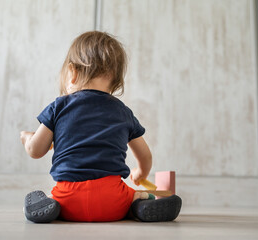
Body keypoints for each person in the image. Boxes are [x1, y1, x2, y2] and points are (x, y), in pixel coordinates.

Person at [20, 31, 181, 223]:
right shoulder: (123, 112)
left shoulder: (59, 107)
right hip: (112, 200)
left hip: (69, 200)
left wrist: (27, 138)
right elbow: (145, 155)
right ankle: (138, 207)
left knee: (56, 198)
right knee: (134, 196)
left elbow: (35, 151)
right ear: (115, 81)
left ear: (73, 72)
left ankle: (49, 205)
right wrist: (140, 173)